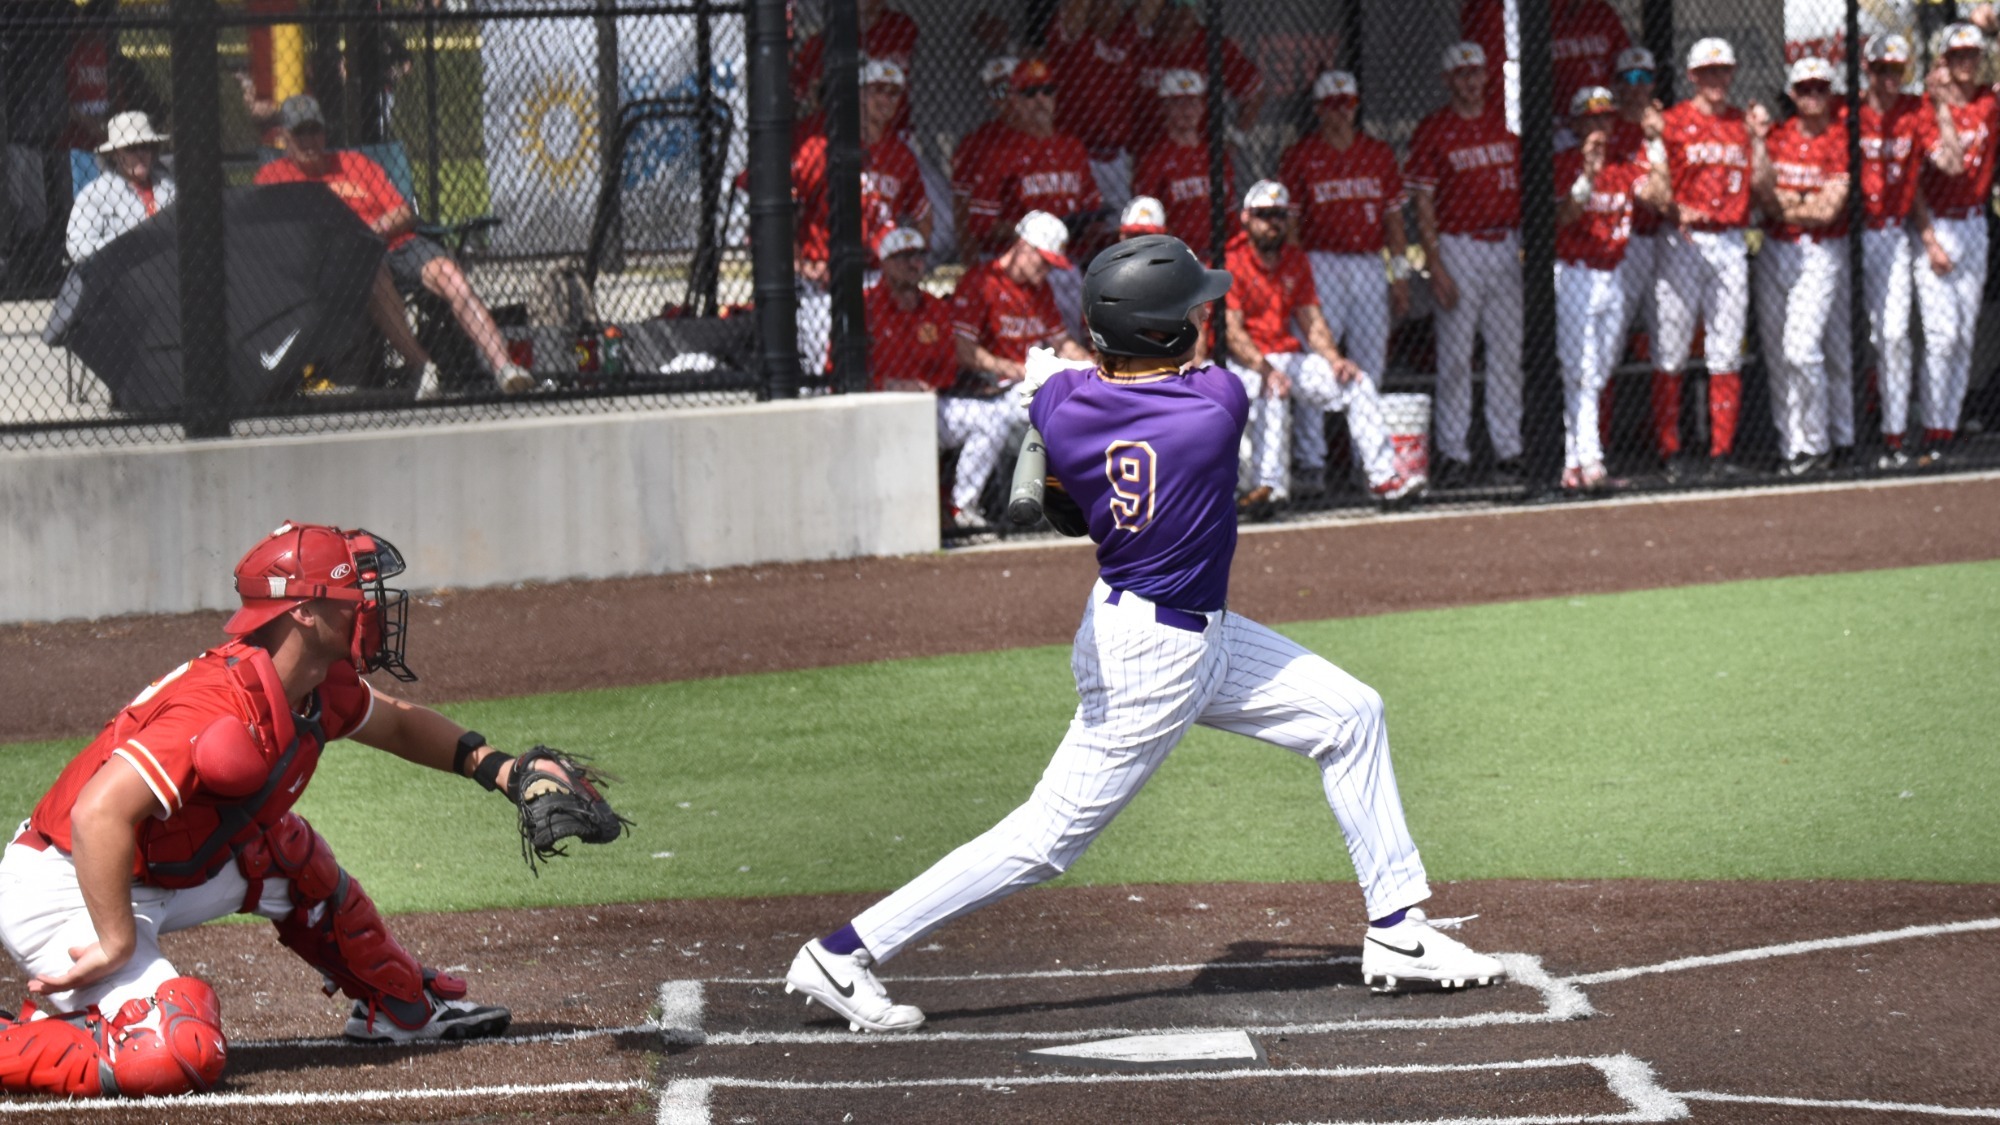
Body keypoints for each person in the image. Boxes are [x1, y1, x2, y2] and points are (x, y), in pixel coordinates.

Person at [779, 233, 1502, 1034]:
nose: (1202, 313)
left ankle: (1399, 932)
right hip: (1156, 659)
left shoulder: (1063, 405)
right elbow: (1134, 382)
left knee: (1350, 713)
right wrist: (1058, 374)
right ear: (1162, 332)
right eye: (1189, 307)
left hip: (1174, 626)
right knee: (1045, 839)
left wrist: (1047, 376)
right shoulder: (1215, 407)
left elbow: (1070, 392)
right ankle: (843, 952)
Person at [0, 521, 627, 1097]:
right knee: (178, 1054)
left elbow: (402, 726)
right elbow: (97, 814)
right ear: (302, 610)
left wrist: (503, 768)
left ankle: (397, 1008)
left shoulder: (315, 683)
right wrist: (114, 942)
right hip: (69, 884)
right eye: (357, 597)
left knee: (283, 849)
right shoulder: (216, 704)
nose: (374, 609)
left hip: (158, 870)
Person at [253, 95, 530, 398]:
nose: (309, 140)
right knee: (373, 270)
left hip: (397, 243)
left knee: (449, 274)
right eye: (299, 133)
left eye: (314, 131)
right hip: (344, 262)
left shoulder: (355, 164)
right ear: (284, 137)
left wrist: (373, 230)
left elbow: (403, 212)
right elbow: (273, 232)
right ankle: (423, 368)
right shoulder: (273, 176)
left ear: (324, 132)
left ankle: (505, 368)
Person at [1224, 180, 1423, 515]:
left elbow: (1312, 321)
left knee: (1358, 382)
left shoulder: (1295, 259)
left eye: (1280, 215)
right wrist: (1265, 369)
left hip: (1286, 357)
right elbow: (1232, 332)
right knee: (1271, 389)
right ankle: (1268, 487)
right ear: (1246, 217)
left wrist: (1334, 359)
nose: (1272, 223)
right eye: (1264, 215)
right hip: (1246, 364)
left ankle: (1384, 479)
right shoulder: (1232, 259)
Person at [1638, 37, 1771, 481]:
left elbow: (1763, 189)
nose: (1717, 79)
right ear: (1692, 76)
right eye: (1708, 72)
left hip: (1731, 239)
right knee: (1670, 348)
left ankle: (1721, 451)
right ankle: (1669, 450)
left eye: (1723, 71)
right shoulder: (1671, 123)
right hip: (1682, 240)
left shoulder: (1741, 122)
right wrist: (1676, 208)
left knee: (1726, 349)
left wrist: (1759, 141)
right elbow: (1651, 190)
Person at [1279, 69, 1412, 491]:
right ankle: (1311, 459)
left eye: (1346, 105)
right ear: (1318, 110)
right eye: (1331, 106)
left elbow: (1394, 221)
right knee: (1318, 361)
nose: (1339, 113)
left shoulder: (1377, 153)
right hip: (1321, 262)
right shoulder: (1301, 154)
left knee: (1371, 361)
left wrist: (1399, 275)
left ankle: (1367, 461)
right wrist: (1299, 275)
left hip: (1370, 263)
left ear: (1355, 107)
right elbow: (1293, 226)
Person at [1408, 41, 1524, 488]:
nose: (1470, 81)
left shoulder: (1504, 125)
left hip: (1504, 243)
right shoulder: (1434, 129)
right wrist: (1435, 265)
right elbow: (1423, 202)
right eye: (1461, 74)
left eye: (1476, 73)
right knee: (1455, 355)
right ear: (1447, 80)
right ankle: (1454, 451)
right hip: (1459, 244)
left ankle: (1508, 448)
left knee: (1506, 355)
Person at [948, 212, 1094, 529]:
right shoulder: (980, 281)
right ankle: (965, 510)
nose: (1046, 272)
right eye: (1043, 262)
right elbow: (964, 351)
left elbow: (1063, 342)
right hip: (994, 389)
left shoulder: (1038, 289)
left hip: (1030, 383)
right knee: (1062, 411)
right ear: (1023, 247)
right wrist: (1016, 369)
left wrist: (1092, 368)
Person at [793, 59, 932, 378]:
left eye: (893, 94)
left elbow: (924, 217)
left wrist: (909, 263)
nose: (887, 100)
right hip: (822, 282)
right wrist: (800, 265)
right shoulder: (819, 146)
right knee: (826, 370)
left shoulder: (901, 154)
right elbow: (783, 217)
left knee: (884, 364)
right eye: (878, 91)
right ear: (857, 95)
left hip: (877, 278)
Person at [867, 226, 1010, 533]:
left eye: (918, 256)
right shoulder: (866, 306)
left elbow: (947, 362)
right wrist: (887, 384)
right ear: (885, 263)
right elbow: (840, 366)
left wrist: (929, 384)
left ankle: (962, 508)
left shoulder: (934, 307)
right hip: (877, 405)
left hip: (930, 403)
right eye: (903, 257)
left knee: (992, 418)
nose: (913, 264)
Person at [1754, 57, 1853, 479]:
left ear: (1831, 94)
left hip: (1821, 252)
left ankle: (1817, 442)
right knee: (1779, 356)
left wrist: (1790, 202)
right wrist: (1758, 142)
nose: (1812, 96)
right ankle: (1790, 444)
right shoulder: (1776, 136)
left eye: (1820, 88)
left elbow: (1829, 210)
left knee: (1802, 349)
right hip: (1776, 248)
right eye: (1805, 88)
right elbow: (1762, 192)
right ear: (1792, 94)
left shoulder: (1841, 138)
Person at [1910, 21, 1997, 467]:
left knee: (1963, 334)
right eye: (1958, 56)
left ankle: (1950, 423)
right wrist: (1928, 238)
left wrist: (1991, 24)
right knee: (1940, 336)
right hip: (1937, 225)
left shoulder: (1989, 101)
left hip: (1974, 222)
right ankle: (1932, 426)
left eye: (1973, 55)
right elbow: (1944, 167)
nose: (1967, 63)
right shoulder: (1926, 109)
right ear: (1943, 61)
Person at [1554, 87, 1646, 493]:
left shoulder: (1625, 165)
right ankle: (1590, 461)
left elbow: (1659, 196)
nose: (1598, 128)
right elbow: (1565, 216)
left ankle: (1573, 462)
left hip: (1613, 273)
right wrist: (1587, 175)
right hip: (1575, 272)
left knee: (1601, 368)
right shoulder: (1562, 164)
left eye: (1605, 119)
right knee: (1581, 370)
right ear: (1575, 125)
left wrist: (1655, 142)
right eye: (1590, 120)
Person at [1857, 34, 1932, 471]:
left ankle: (1895, 433)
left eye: (1896, 71)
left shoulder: (1914, 110)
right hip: (1849, 236)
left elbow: (1936, 169)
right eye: (1881, 70)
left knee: (1894, 336)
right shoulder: (1850, 113)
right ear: (1868, 70)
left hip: (1893, 233)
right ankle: (1847, 435)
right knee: (1853, 341)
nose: (1888, 79)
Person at [961, 58, 1103, 260]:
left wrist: (1090, 228)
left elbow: (1093, 207)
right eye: (1029, 93)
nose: (1040, 99)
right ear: (1014, 100)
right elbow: (980, 223)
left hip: (1072, 258)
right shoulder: (997, 153)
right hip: (1022, 259)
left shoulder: (1073, 147)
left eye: (1047, 91)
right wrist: (1032, 232)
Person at [1460, 0, 1630, 135]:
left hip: (1599, 115)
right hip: (1549, 123)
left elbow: (1626, 67)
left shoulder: (1600, 13)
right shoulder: (1525, 14)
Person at [1129, 0, 1264, 164]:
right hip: (1148, 154)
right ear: (1160, 10)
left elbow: (1255, 91)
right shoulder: (1140, 44)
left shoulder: (1213, 45)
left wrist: (1236, 138)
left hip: (1200, 155)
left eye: (1189, 4)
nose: (1183, 11)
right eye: (1175, 5)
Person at [1048, 0, 1141, 211]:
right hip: (1079, 153)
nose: (1109, 9)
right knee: (1082, 222)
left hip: (1117, 155)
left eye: (1114, 4)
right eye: (1101, 4)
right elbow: (1074, 13)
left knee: (1120, 226)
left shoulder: (1123, 37)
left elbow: (1148, 11)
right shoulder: (1074, 37)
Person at [1129, 69, 1233, 256]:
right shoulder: (1153, 159)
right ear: (1164, 108)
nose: (1187, 111)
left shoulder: (1216, 155)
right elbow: (1147, 220)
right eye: (1179, 103)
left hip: (1219, 253)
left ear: (1202, 107)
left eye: (1193, 102)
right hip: (1177, 257)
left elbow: (1230, 211)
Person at [63, 111, 171, 265]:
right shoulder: (95, 193)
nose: (140, 154)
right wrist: (127, 243)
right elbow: (77, 246)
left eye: (145, 147)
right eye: (131, 148)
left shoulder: (169, 186)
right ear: (114, 155)